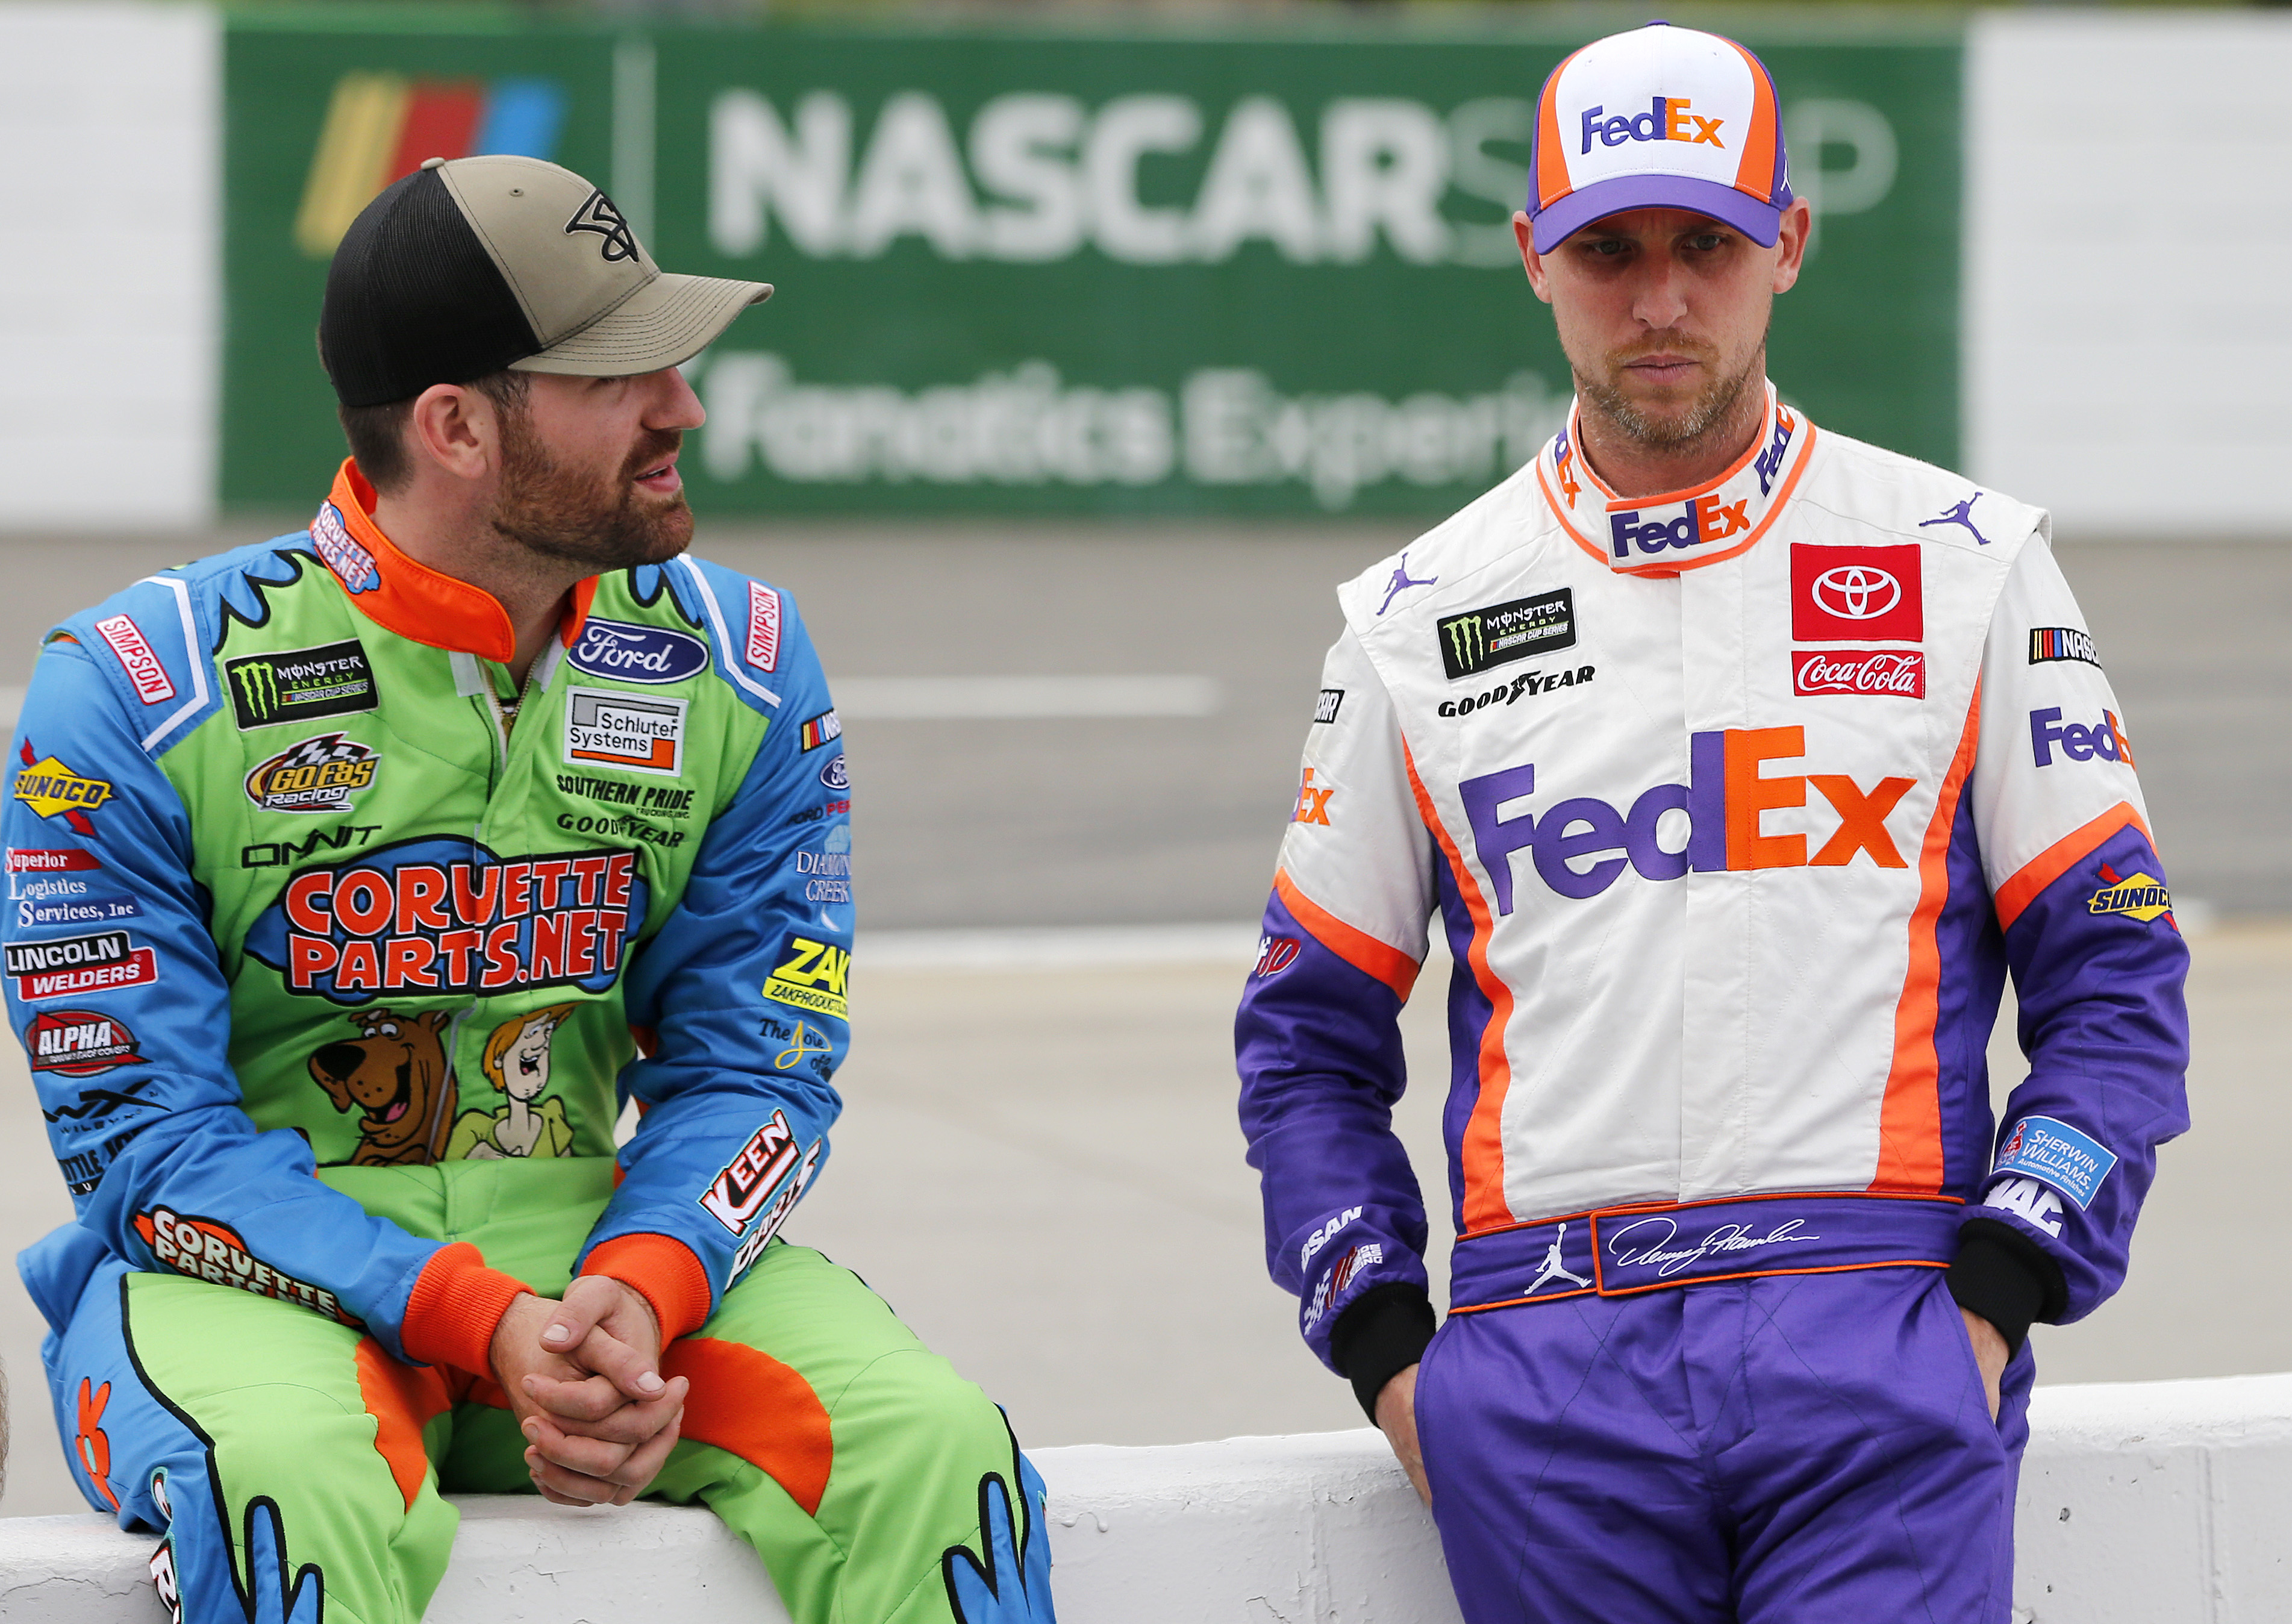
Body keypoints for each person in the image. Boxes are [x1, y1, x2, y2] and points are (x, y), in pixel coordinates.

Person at [11, 154, 1052, 1624]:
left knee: (941, 1457)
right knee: (288, 1497)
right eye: (618, 374)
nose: (682, 405)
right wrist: (472, 1317)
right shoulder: (135, 692)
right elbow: (144, 1148)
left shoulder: (739, 659)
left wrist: (649, 1276)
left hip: (594, 1264)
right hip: (246, 1284)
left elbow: (763, 1054)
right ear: (456, 429)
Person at [1235, 23, 2188, 1623]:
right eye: (1607, 249)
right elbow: (1307, 1033)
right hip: (1540, 1371)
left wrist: (2005, 1281)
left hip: (1876, 1337)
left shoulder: (1962, 561)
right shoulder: (1412, 618)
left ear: (1786, 244)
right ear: (1531, 254)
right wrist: (1388, 1349)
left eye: (1706, 244)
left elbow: (2113, 972)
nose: (1660, 299)